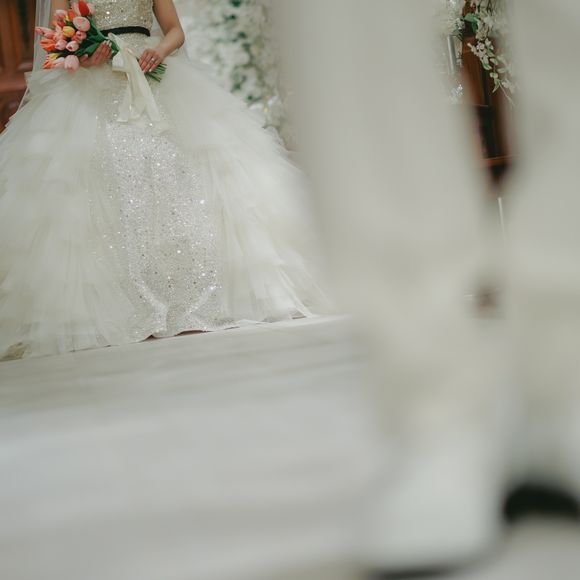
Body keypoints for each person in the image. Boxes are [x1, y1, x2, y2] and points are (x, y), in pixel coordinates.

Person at [0, 0, 327, 360]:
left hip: (150, 71)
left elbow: (174, 30)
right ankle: (122, 303)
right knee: (103, 182)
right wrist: (85, 55)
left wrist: (160, 49)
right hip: (92, 87)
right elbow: (56, 39)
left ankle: (192, 293)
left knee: (179, 174)